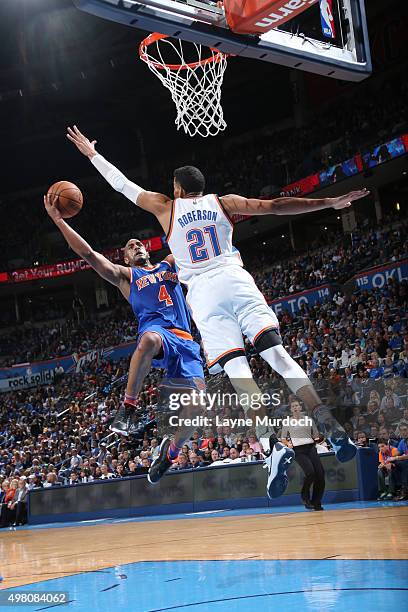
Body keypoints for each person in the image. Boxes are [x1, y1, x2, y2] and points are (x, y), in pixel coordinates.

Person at [67, 126, 368, 497]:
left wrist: (92, 154)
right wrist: (328, 202)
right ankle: (328, 424)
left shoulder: (167, 208)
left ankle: (271, 447)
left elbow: (122, 184)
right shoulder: (223, 202)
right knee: (280, 357)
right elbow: (275, 206)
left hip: (206, 298)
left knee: (240, 373)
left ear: (177, 188)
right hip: (236, 281)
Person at [44, 193, 205, 485]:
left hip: (187, 342)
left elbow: (185, 237)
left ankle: (169, 454)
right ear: (125, 257)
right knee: (148, 341)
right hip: (159, 334)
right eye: (131, 246)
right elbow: (89, 255)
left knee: (198, 407)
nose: (137, 246)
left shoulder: (169, 264)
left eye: (140, 243)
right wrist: (58, 220)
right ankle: (128, 408)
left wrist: (184, 200)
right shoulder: (125, 276)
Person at [280, 399, 325, 511]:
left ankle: (316, 502)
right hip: (298, 451)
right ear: (291, 409)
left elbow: (315, 435)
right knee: (310, 473)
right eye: (293, 406)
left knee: (320, 475)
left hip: (310, 448)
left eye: (297, 405)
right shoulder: (287, 422)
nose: (295, 407)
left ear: (300, 408)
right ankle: (305, 497)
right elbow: (283, 438)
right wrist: (288, 444)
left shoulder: (309, 420)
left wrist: (319, 438)